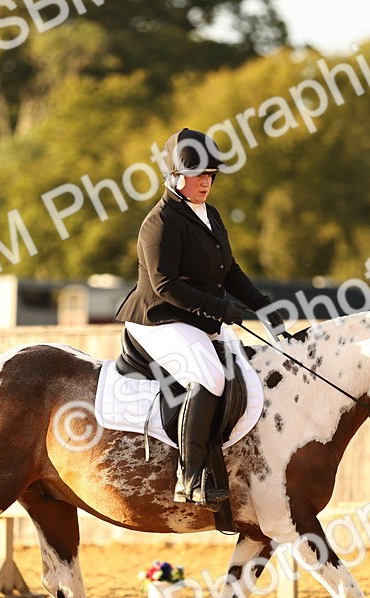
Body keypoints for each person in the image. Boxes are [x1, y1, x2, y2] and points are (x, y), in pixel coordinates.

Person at [115, 128, 286, 509]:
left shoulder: (209, 214)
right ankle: (189, 477)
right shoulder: (159, 222)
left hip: (195, 319)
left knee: (243, 370)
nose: (206, 182)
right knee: (208, 376)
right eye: (197, 175)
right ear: (175, 177)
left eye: (210, 174)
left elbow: (229, 269)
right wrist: (221, 309)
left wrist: (262, 304)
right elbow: (165, 285)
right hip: (157, 320)